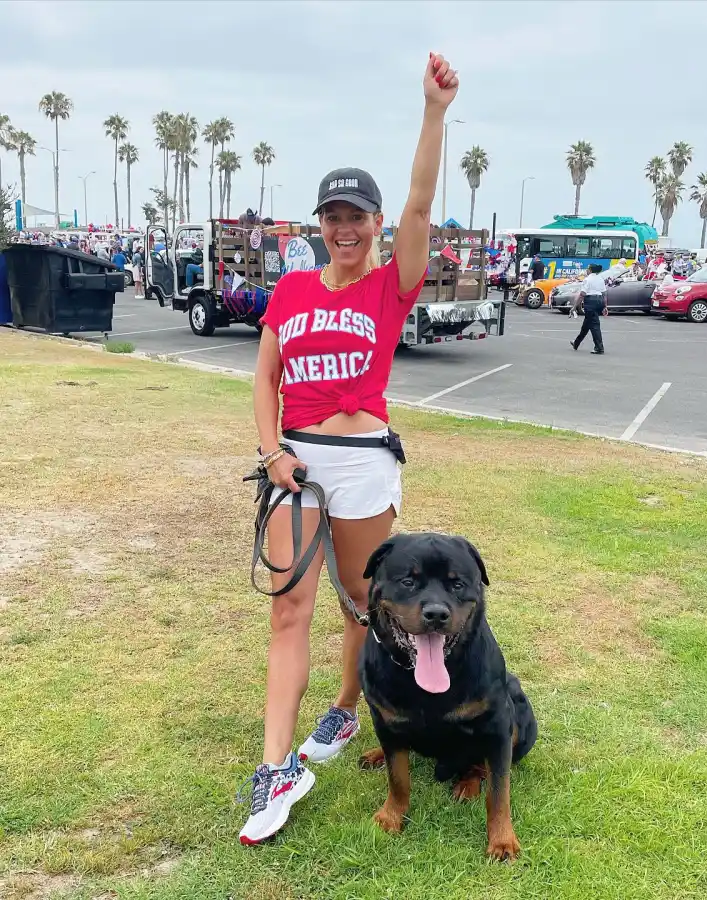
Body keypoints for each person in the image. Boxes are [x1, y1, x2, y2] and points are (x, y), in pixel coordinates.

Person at [237, 51, 459, 846]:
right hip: (294, 462)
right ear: (320, 224)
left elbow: (422, 203)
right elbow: (265, 378)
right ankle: (275, 767)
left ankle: (343, 708)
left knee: (364, 604)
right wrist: (272, 453)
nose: (343, 229)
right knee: (288, 607)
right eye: (332, 216)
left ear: (374, 224)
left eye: (356, 216)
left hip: (363, 459)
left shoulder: (389, 283)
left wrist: (433, 112)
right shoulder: (292, 289)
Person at [570, 263, 608, 355]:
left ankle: (599, 347)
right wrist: (605, 306)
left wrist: (574, 307)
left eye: (587, 269)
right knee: (587, 324)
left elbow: (582, 294)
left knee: (594, 325)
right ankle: (576, 343)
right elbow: (604, 294)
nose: (586, 270)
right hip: (599, 301)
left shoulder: (587, 279)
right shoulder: (600, 279)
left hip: (591, 302)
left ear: (590, 270)